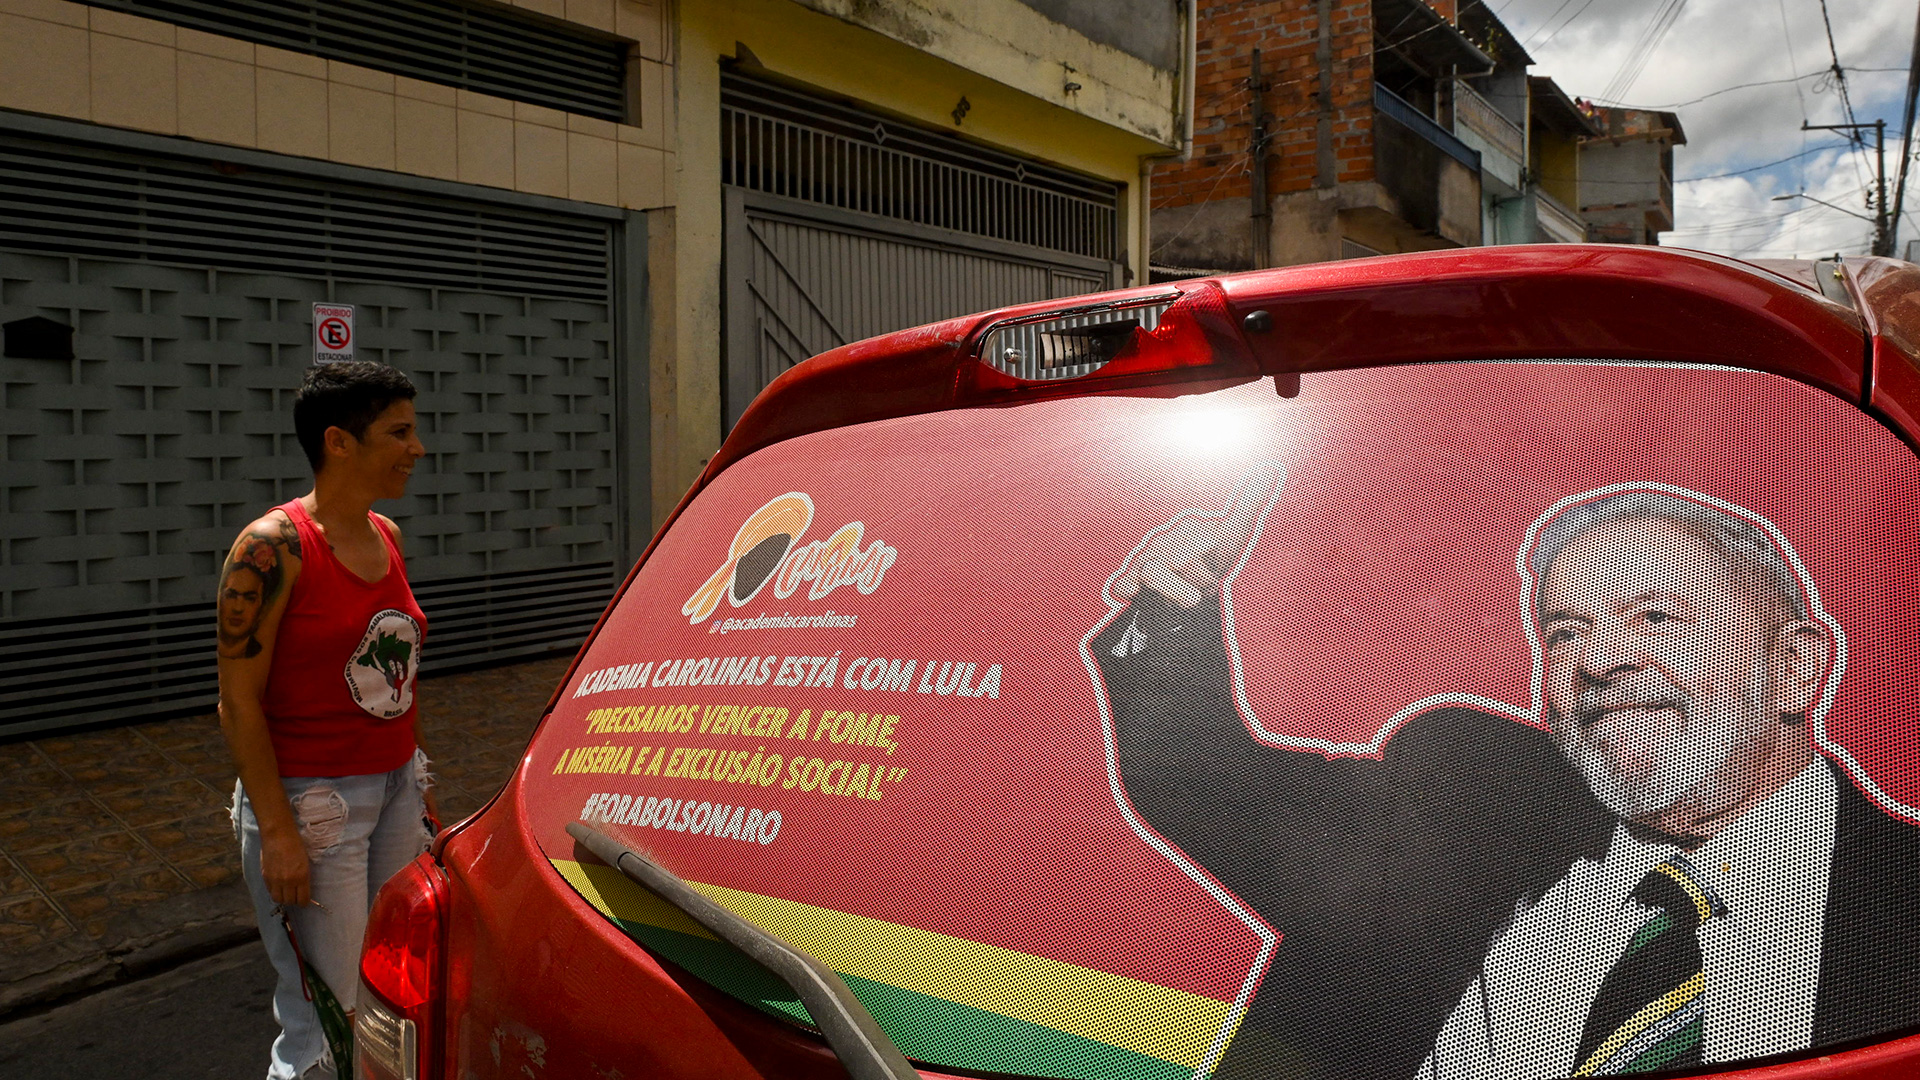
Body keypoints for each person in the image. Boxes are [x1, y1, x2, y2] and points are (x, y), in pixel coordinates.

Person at [1091, 473, 1920, 1080]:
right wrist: (1176, 608)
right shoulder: (1473, 804)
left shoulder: (1903, 903)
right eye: (1565, 632)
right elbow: (1204, 782)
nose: (1599, 660)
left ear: (1794, 667)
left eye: (1655, 618)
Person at [218, 360, 434, 1080]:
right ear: (339, 442)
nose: (417, 448)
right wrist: (277, 832)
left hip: (394, 789)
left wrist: (418, 780)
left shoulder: (387, 534)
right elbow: (237, 701)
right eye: (398, 432)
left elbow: (396, 672)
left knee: (386, 994)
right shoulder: (270, 549)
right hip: (313, 807)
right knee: (326, 1023)